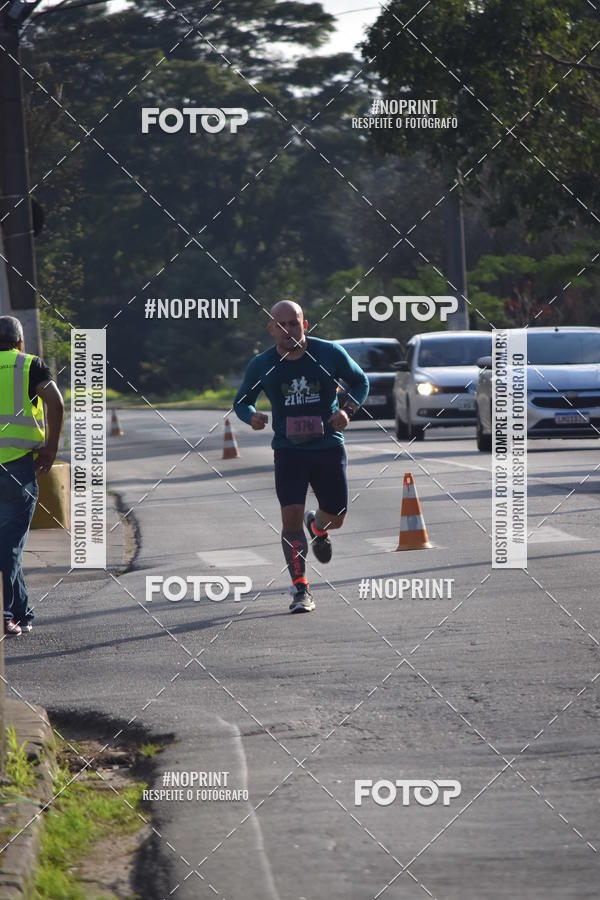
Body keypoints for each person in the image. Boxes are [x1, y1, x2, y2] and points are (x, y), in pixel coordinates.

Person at [234, 301, 369, 613]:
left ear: (304, 324)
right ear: (271, 329)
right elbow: (242, 401)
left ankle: (319, 527)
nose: (288, 330)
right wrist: (250, 416)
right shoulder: (262, 364)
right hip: (289, 452)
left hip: (328, 447)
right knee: (289, 519)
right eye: (280, 325)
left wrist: (348, 411)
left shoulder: (328, 353)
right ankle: (300, 588)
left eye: (293, 324)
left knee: (337, 515)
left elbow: (361, 381)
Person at [0, 316, 64, 636]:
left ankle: (21, 611)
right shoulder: (29, 365)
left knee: (8, 540)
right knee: (10, 542)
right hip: (17, 467)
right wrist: (51, 449)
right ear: (20, 342)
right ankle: (6, 611)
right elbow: (56, 402)